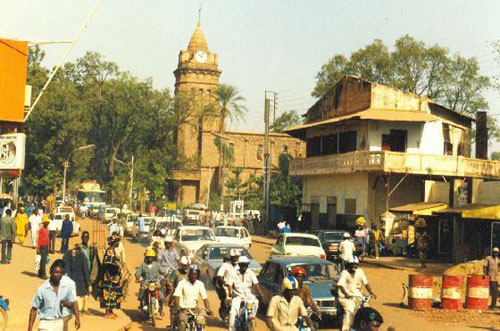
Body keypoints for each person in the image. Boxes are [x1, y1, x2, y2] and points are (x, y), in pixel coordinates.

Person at [28, 259, 81, 331]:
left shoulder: (66, 287)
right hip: (45, 324)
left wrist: (67, 305)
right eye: (55, 272)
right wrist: (30, 328)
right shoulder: (42, 289)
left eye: (60, 273)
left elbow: (73, 302)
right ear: (50, 272)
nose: (58, 275)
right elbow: (34, 309)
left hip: (59, 322)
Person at [64, 231, 100, 315]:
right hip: (80, 272)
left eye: (86, 237)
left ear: (88, 238)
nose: (85, 238)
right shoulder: (78, 248)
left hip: (89, 270)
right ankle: (78, 309)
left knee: (88, 290)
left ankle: (85, 308)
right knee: (79, 290)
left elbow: (95, 259)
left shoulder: (91, 249)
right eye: (83, 237)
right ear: (81, 238)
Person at [337, 257, 376, 331]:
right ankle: (345, 329)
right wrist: (346, 294)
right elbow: (341, 285)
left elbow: (366, 283)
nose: (354, 266)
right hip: (346, 297)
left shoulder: (360, 272)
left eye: (355, 265)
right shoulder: (345, 273)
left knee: (368, 309)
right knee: (350, 311)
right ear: (348, 265)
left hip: (358, 295)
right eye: (352, 265)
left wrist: (371, 292)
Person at [227, 255, 263, 331]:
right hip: (238, 295)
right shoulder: (234, 273)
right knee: (233, 312)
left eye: (246, 265)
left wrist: (260, 293)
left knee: (256, 302)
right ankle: (232, 328)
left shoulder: (250, 273)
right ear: (239, 265)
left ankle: (251, 317)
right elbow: (229, 284)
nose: (245, 267)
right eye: (243, 265)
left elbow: (256, 284)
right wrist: (230, 293)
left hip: (248, 295)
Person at [174, 264, 212, 331]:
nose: (193, 276)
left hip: (195, 310)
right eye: (192, 274)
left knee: (201, 322)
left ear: (197, 275)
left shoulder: (200, 284)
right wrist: (177, 306)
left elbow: (205, 298)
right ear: (189, 274)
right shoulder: (182, 283)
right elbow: (177, 295)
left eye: (195, 274)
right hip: (184, 310)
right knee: (182, 323)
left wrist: (208, 308)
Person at [135, 248, 169, 317]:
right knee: (142, 291)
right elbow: (138, 273)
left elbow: (163, 271)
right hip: (146, 283)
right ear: (146, 257)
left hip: (156, 283)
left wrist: (166, 276)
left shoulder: (157, 265)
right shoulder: (143, 265)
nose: (150, 258)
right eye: (148, 257)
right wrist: (137, 278)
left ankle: (161, 309)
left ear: (153, 257)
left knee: (161, 297)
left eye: (151, 257)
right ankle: (142, 304)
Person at [96, 239, 123, 319]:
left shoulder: (113, 250)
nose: (119, 243)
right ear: (115, 242)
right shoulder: (109, 251)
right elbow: (107, 264)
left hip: (114, 278)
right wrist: (108, 275)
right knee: (108, 294)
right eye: (118, 241)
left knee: (113, 294)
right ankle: (107, 313)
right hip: (109, 278)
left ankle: (111, 311)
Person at [166, 255, 191, 326]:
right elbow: (169, 281)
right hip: (177, 295)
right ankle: (172, 325)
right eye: (184, 265)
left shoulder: (192, 273)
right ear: (181, 265)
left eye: (188, 265)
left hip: (188, 295)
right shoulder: (176, 272)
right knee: (174, 310)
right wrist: (170, 285)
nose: (186, 267)